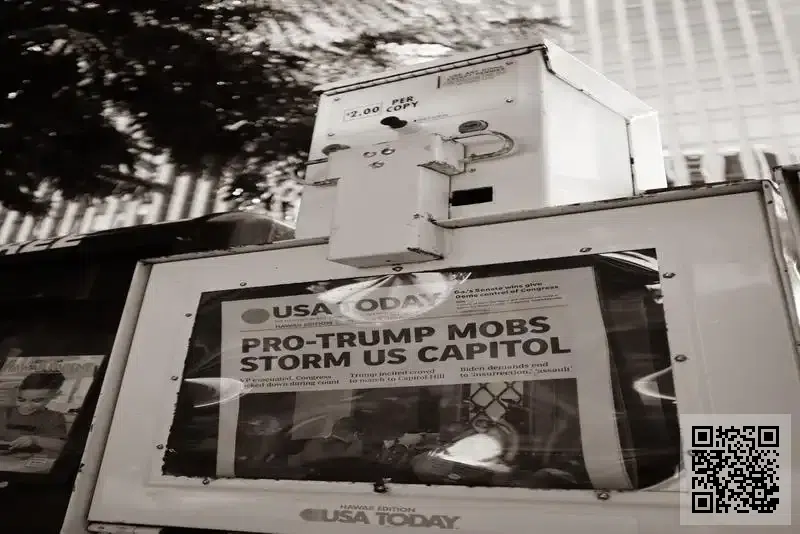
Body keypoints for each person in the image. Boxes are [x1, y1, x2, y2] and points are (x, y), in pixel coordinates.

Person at [0, 371, 68, 455]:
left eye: (36, 401)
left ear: (53, 396)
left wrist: (35, 440)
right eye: (21, 400)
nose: (27, 406)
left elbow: (61, 445)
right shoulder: (4, 412)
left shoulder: (54, 417)